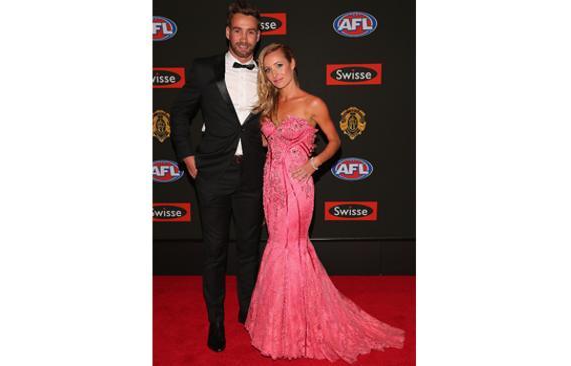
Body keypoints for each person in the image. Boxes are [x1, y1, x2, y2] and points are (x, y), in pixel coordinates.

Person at [244, 43, 405, 364]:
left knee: (290, 248)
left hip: (298, 187)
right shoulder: (269, 104)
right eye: (268, 69)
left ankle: (295, 327)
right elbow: (267, 143)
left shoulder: (313, 103)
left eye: (279, 65)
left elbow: (335, 142)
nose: (274, 74)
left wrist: (313, 162)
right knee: (277, 245)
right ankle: (279, 322)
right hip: (273, 187)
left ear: (292, 63)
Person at [170, 0, 264, 353]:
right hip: (211, 173)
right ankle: (215, 321)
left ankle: (248, 311)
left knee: (249, 251)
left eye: (250, 31)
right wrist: (187, 158)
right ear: (228, 32)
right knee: (214, 252)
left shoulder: (269, 71)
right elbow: (179, 114)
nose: (243, 38)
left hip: (253, 172)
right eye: (237, 30)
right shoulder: (204, 69)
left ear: (258, 35)